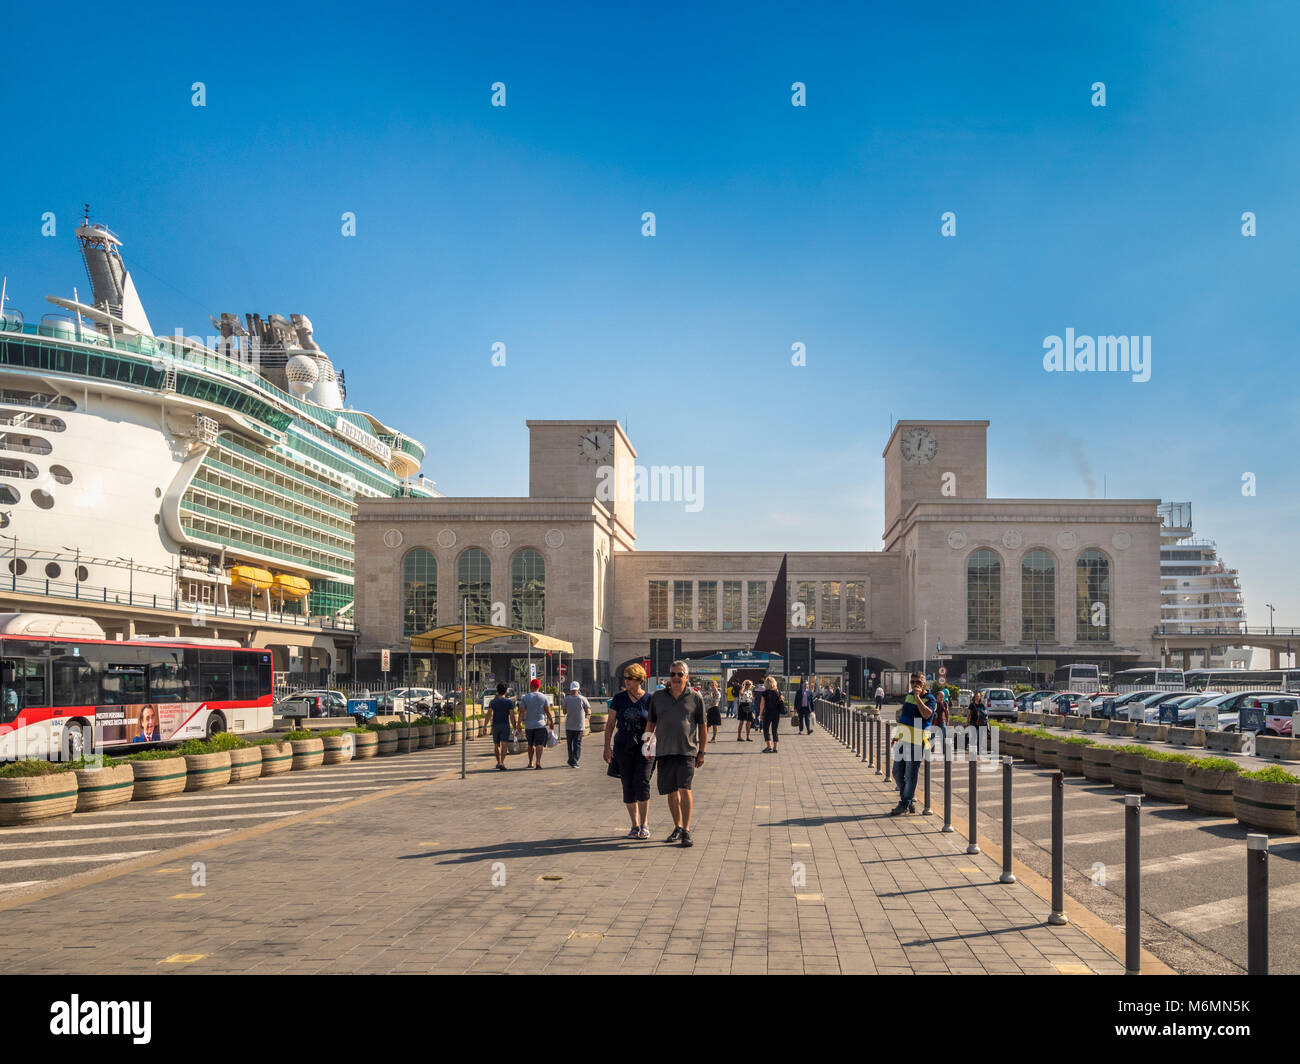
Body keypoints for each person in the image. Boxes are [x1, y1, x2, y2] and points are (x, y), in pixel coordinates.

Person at [647, 660, 707, 847]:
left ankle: (687, 830)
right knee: (671, 791)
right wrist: (647, 745)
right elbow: (651, 723)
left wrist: (702, 751)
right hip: (664, 751)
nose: (675, 678)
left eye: (680, 674)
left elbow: (703, 726)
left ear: (686, 677)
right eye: (672, 674)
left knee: (685, 788)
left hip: (686, 750)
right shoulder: (657, 697)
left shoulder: (695, 698)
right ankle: (678, 826)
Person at [604, 663, 654, 838]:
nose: (626, 681)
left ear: (639, 680)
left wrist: (651, 743)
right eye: (625, 678)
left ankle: (644, 823)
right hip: (623, 746)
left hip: (645, 748)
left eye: (630, 678)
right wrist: (606, 747)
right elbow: (610, 724)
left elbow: (656, 723)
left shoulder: (649, 699)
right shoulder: (619, 698)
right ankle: (634, 825)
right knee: (628, 784)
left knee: (642, 782)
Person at [889, 672, 935, 815]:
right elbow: (904, 717)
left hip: (918, 740)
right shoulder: (909, 695)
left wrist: (917, 697)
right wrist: (897, 736)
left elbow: (927, 714)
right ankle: (908, 800)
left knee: (910, 773)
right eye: (913, 682)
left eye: (918, 682)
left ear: (924, 684)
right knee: (896, 772)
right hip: (904, 739)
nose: (915, 685)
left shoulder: (930, 698)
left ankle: (904, 803)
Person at [519, 678, 554, 769]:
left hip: (529, 725)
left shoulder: (525, 697)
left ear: (531, 686)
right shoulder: (543, 697)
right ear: (539, 686)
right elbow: (547, 711)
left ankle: (530, 762)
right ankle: (538, 761)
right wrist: (551, 721)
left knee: (530, 744)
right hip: (540, 725)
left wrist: (519, 724)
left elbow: (521, 712)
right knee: (539, 744)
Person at [488, 682, 518, 770]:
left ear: (497, 691)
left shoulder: (492, 702)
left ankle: (498, 762)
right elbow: (512, 716)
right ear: (506, 692)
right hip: (505, 725)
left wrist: (485, 726)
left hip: (495, 725)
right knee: (504, 743)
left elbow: (489, 714)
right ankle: (502, 762)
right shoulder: (509, 702)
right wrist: (515, 727)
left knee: (496, 744)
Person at [563, 681, 590, 768]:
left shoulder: (566, 699)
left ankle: (571, 759)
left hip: (569, 725)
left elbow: (564, 712)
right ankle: (574, 760)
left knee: (569, 744)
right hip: (579, 725)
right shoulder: (583, 699)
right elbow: (588, 710)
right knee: (577, 743)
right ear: (578, 689)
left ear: (570, 689)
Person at [759, 676, 786, 753]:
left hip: (767, 713)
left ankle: (769, 746)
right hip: (776, 713)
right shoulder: (778, 692)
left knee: (766, 729)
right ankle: (775, 748)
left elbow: (762, 704)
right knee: (775, 730)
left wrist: (760, 715)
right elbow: (782, 700)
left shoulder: (765, 693)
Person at [968, 691, 990, 755]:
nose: (977, 697)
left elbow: (985, 714)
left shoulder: (982, 705)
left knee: (980, 737)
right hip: (973, 722)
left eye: (978, 696)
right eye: (976, 696)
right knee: (974, 737)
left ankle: (979, 750)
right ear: (974, 697)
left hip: (981, 722)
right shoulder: (971, 705)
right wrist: (967, 722)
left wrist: (981, 713)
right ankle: (972, 749)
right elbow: (969, 714)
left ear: (980, 697)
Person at [932, 687, 950, 754]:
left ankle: (944, 749)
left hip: (942, 721)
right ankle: (932, 747)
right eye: (940, 697)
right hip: (934, 722)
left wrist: (947, 721)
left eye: (943, 697)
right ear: (937, 696)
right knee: (932, 735)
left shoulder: (945, 703)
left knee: (944, 736)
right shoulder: (934, 703)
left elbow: (947, 712)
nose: (941, 698)